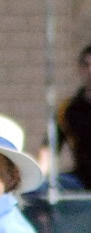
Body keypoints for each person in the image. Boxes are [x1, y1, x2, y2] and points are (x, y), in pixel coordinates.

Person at [38, 43, 91, 190]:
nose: (90, 70)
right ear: (80, 69)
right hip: (82, 181)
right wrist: (39, 176)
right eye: (86, 65)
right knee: (38, 189)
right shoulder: (68, 110)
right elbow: (49, 148)